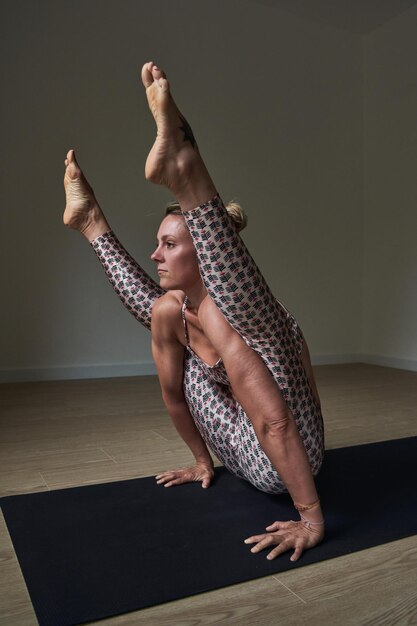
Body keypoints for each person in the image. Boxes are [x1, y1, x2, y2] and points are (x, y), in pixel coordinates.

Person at [63, 61, 325, 562]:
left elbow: (279, 422)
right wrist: (201, 463)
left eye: (168, 245)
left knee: (230, 319)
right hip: (245, 446)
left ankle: (180, 175)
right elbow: (176, 397)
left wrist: (311, 517)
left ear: (202, 251)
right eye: (157, 244)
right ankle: (98, 217)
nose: (156, 255)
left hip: (290, 461)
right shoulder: (174, 312)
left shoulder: (241, 320)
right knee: (169, 310)